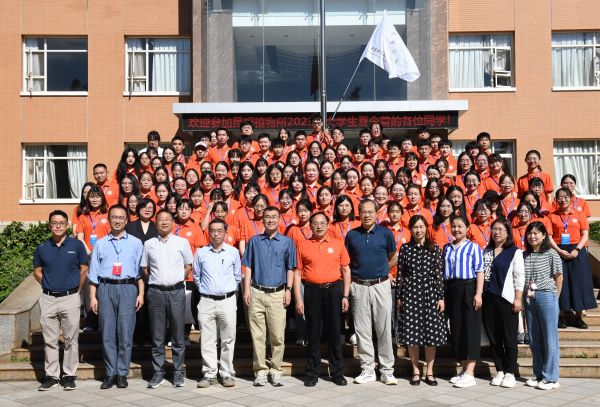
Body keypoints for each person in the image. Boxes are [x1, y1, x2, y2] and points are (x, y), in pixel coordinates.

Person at [87, 205, 144, 390]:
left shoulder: (136, 243)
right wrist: (93, 297)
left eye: (121, 217)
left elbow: (140, 272)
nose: (117, 220)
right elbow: (93, 273)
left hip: (128, 288)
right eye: (114, 217)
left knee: (126, 332)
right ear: (109, 220)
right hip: (106, 288)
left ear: (126, 220)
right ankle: (110, 372)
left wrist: (141, 293)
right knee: (107, 333)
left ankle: (122, 373)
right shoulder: (100, 244)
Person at [34, 210, 89, 391]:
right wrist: (48, 284)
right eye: (54, 223)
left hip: (70, 298)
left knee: (71, 339)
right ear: (49, 225)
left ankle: (69, 375)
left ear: (67, 225)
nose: (58, 226)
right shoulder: (42, 247)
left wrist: (77, 290)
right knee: (49, 340)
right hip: (48, 299)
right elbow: (37, 271)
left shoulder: (77, 245)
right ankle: (51, 376)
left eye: (61, 223)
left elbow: (84, 269)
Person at [295, 212, 351, 387]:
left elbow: (346, 270)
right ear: (310, 226)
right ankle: (312, 373)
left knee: (334, 332)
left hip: (333, 291)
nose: (319, 226)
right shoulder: (303, 245)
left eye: (322, 223)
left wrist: (345, 295)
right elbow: (297, 273)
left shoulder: (338, 243)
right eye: (315, 223)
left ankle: (337, 372)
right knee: (313, 333)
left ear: (328, 225)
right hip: (312, 291)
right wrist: (298, 299)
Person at [242, 206, 296, 387]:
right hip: (256, 292)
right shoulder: (254, 241)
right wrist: (247, 289)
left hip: (277, 294)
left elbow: (290, 268)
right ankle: (260, 371)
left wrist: (288, 290)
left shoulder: (287, 242)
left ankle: (276, 370)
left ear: (279, 219)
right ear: (262, 219)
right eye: (267, 217)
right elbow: (248, 266)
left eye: (274, 217)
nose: (271, 220)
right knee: (258, 336)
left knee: (277, 335)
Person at [345, 200, 397, 385]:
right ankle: (367, 369)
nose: (367, 215)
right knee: (362, 330)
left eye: (370, 212)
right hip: (359, 286)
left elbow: (393, 257)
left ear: (376, 213)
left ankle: (387, 370)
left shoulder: (385, 233)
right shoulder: (352, 235)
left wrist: (382, 270)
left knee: (384, 329)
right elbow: (347, 261)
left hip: (380, 285)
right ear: (359, 214)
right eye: (363, 212)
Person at [142, 210, 193, 389]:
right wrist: (157, 280)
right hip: (155, 293)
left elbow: (189, 265)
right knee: (157, 336)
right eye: (160, 220)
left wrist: (177, 279)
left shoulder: (182, 242)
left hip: (176, 292)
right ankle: (158, 371)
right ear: (155, 223)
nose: (164, 222)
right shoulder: (149, 244)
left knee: (178, 335)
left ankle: (178, 371)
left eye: (167, 219)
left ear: (173, 222)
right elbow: (145, 268)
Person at [396, 215, 446, 387]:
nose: (418, 230)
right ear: (410, 229)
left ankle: (430, 372)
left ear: (426, 228)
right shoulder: (405, 248)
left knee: (431, 334)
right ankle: (416, 371)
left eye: (421, 227)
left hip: (430, 294)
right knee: (412, 335)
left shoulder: (434, 248)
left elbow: (439, 274)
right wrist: (399, 297)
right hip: (410, 294)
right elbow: (401, 274)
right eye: (415, 227)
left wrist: (441, 297)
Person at [194, 219, 242, 389]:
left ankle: (226, 372)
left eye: (219, 231)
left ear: (225, 232)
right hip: (206, 300)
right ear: (208, 232)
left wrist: (227, 291)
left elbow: (237, 276)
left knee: (228, 339)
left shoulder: (233, 252)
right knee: (207, 339)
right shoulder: (201, 253)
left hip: (227, 300)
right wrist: (206, 290)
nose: (216, 234)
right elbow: (197, 276)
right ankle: (209, 373)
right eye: (212, 230)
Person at [481, 218, 525, 388]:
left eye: (500, 229)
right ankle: (499, 369)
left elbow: (519, 277)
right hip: (488, 298)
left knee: (509, 337)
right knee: (494, 337)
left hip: (506, 299)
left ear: (508, 232)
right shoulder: (486, 251)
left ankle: (510, 372)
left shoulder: (515, 252)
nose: (497, 232)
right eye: (494, 229)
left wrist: (518, 298)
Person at [444, 215, 484, 388]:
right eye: (454, 226)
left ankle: (470, 373)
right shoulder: (447, 247)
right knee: (457, 329)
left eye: (460, 226)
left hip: (468, 287)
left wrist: (478, 294)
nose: (456, 229)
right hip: (451, 289)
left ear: (467, 228)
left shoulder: (473, 247)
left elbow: (480, 270)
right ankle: (463, 369)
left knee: (470, 329)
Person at [523, 221, 563, 390]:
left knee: (549, 337)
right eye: (529, 233)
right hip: (529, 297)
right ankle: (538, 374)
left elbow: (559, 277)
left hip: (546, 295)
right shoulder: (524, 255)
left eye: (536, 233)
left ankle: (551, 377)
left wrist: (555, 297)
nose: (532, 236)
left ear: (544, 235)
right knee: (534, 338)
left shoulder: (551, 253)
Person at [549, 188, 596, 329]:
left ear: (571, 198)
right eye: (559, 197)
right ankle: (561, 316)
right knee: (560, 283)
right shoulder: (552, 216)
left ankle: (578, 317)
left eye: (566, 197)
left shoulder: (579, 214)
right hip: (558, 250)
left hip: (577, 250)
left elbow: (585, 234)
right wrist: (558, 251)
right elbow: (549, 236)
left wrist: (577, 249)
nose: (563, 200)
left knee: (579, 282)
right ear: (556, 200)